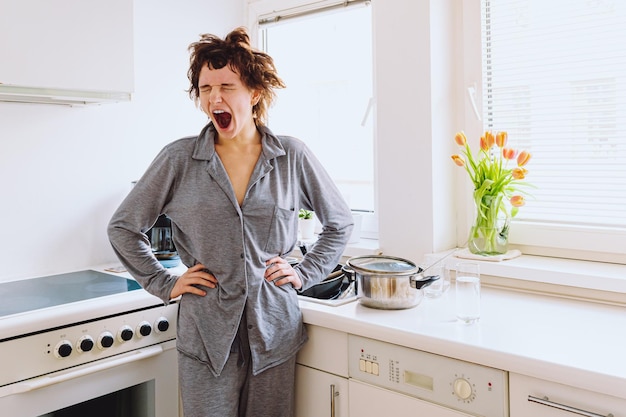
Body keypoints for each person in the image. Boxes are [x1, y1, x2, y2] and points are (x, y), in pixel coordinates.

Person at [107, 27, 353, 417]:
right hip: (206, 333)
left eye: (227, 86)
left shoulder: (292, 156)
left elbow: (339, 223)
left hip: (274, 330)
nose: (214, 98)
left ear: (254, 93)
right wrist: (163, 282)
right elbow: (122, 227)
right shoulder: (178, 159)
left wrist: (305, 272)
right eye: (205, 89)